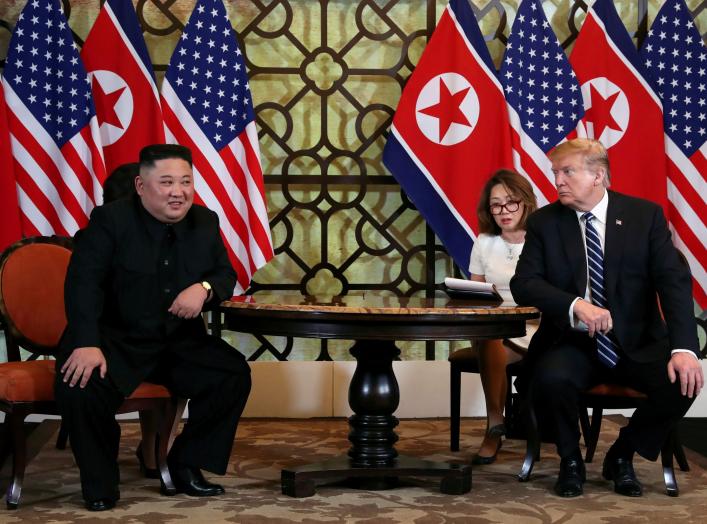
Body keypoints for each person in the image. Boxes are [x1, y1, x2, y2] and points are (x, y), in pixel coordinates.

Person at [55, 144, 252, 511]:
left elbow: (225, 274)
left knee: (232, 374)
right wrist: (85, 342)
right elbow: (83, 284)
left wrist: (203, 289)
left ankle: (186, 464)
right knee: (80, 385)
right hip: (114, 339)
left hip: (176, 342)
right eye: (166, 182)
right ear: (141, 186)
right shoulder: (110, 220)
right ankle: (100, 483)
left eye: (185, 182)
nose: (178, 192)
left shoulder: (205, 221)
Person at [510, 138, 702, 498]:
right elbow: (525, 284)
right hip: (573, 342)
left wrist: (684, 349)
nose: (558, 181)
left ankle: (622, 454)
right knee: (551, 378)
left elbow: (673, 284)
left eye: (567, 172)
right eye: (555, 173)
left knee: (683, 380)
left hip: (637, 342)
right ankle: (570, 461)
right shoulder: (544, 223)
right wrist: (574, 304)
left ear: (598, 175)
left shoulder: (644, 217)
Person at [466, 169, 538, 464]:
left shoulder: (542, 238)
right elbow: (474, 292)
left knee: (491, 339)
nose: (504, 211)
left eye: (511, 202)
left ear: (525, 203)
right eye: (496, 205)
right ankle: (495, 419)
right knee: (489, 336)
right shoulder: (484, 242)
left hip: (536, 325)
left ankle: (493, 426)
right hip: (493, 327)